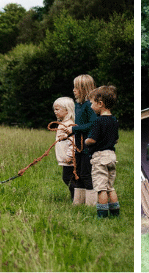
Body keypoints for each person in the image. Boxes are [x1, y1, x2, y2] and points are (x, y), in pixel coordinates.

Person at [84, 85, 120, 218]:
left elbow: (92, 140)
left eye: (92, 103)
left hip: (100, 157)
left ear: (100, 104)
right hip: (111, 156)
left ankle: (102, 215)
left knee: (101, 188)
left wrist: (86, 141)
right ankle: (116, 214)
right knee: (111, 187)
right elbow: (115, 140)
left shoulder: (98, 121)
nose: (91, 106)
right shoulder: (114, 120)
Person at [61, 75, 97, 205]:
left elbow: (93, 124)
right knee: (79, 174)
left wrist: (74, 130)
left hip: (87, 146)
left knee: (87, 174)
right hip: (78, 145)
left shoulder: (89, 106)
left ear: (83, 89)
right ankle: (78, 202)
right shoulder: (78, 105)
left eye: (76, 88)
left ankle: (91, 203)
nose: (73, 90)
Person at [52, 97, 76, 199]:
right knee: (69, 178)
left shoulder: (69, 125)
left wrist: (70, 156)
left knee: (68, 178)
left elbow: (73, 141)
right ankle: (75, 197)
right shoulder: (62, 124)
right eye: (54, 109)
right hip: (66, 159)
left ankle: (76, 198)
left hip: (69, 159)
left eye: (57, 109)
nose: (55, 111)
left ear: (67, 110)